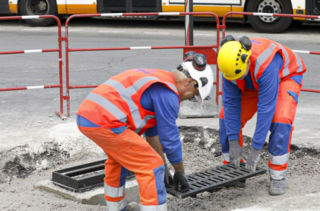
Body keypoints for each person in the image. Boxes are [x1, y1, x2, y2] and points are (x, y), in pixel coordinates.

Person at [76, 52, 213, 211]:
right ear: (189, 82)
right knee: (151, 166)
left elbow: (153, 135)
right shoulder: (168, 93)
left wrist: (165, 167)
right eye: (194, 95)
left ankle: (117, 208)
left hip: (89, 116)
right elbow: (170, 139)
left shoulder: (159, 80)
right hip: (105, 120)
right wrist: (179, 171)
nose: (190, 99)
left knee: (119, 161)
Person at [217, 35, 306, 195]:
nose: (234, 80)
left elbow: (266, 108)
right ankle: (234, 167)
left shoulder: (265, 63)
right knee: (225, 118)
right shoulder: (229, 64)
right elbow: (231, 105)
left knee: (281, 119)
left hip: (284, 77)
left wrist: (256, 148)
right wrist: (233, 141)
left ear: (247, 60)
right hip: (251, 80)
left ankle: (277, 176)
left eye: (238, 75)